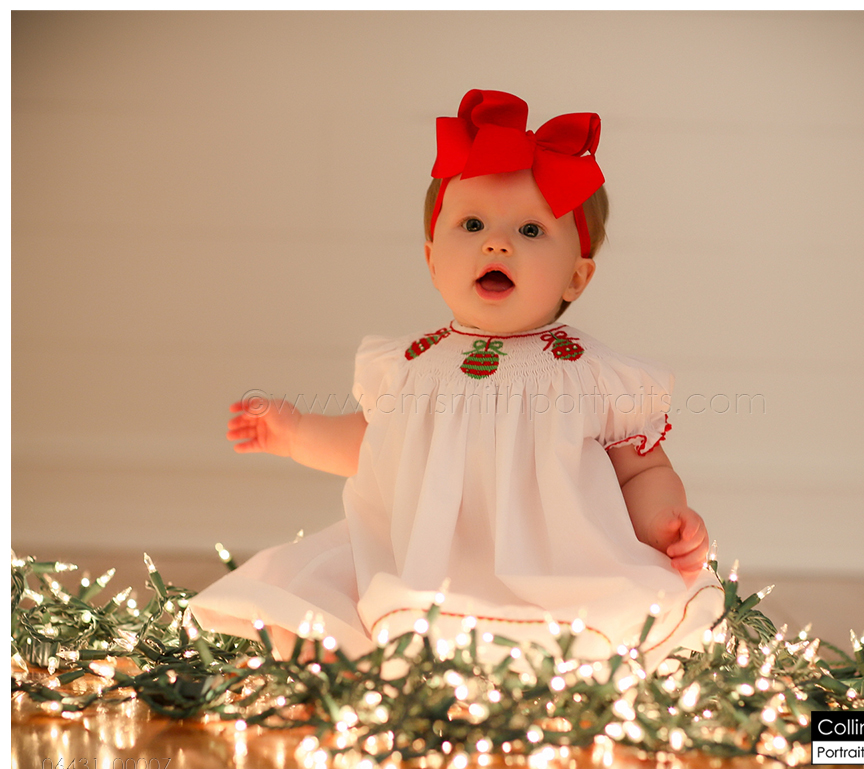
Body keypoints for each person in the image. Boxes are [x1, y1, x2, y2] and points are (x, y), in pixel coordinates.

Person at [189, 89, 722, 665]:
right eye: (472, 224)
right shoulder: (413, 365)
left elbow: (641, 468)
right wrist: (297, 434)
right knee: (331, 595)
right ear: (432, 260)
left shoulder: (586, 375)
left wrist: (663, 520)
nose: (496, 242)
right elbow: (372, 446)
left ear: (577, 277)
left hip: (561, 569)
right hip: (421, 567)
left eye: (531, 231)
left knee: (614, 618)